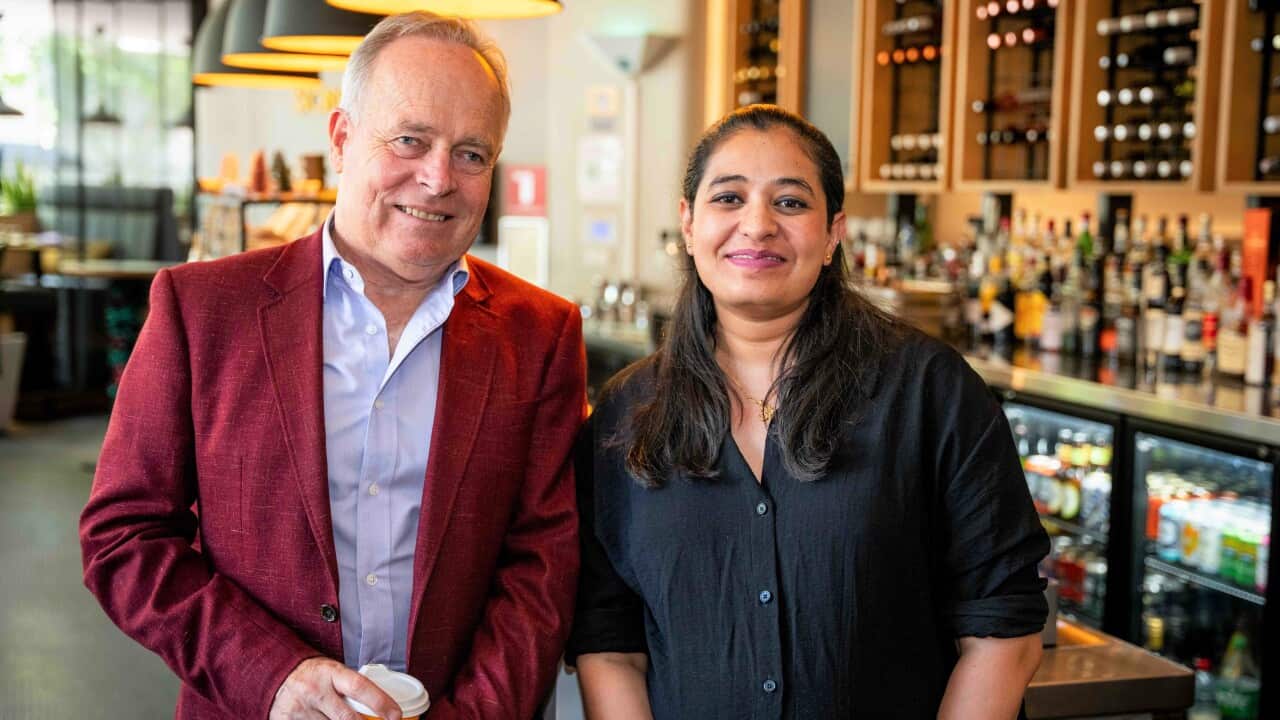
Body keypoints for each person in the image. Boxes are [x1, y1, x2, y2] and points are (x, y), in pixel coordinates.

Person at [80, 12, 584, 720]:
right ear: (343, 138)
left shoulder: (542, 334)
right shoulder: (202, 310)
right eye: (410, 140)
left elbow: (542, 566)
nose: (438, 178)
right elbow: (125, 537)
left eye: (471, 153)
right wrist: (272, 676)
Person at [567, 105, 1049, 719]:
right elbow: (609, 640)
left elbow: (1003, 631)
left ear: (832, 232)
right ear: (688, 224)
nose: (757, 225)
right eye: (728, 198)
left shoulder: (930, 392)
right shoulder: (626, 414)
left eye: (790, 202)